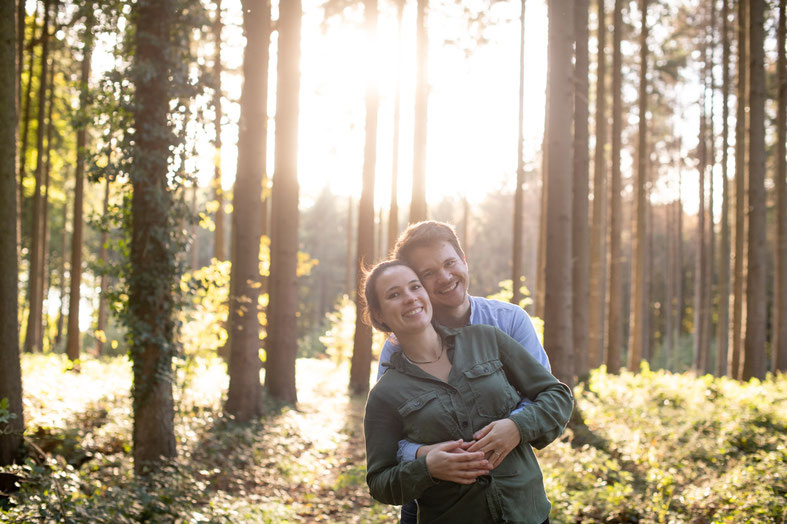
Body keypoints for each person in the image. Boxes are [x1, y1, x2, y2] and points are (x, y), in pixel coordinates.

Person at [362, 259, 573, 523]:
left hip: (527, 513)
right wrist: (427, 469)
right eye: (394, 294)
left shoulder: (488, 339)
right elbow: (380, 482)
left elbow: (557, 395)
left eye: (415, 287)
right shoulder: (384, 394)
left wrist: (518, 426)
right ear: (379, 315)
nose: (409, 298)